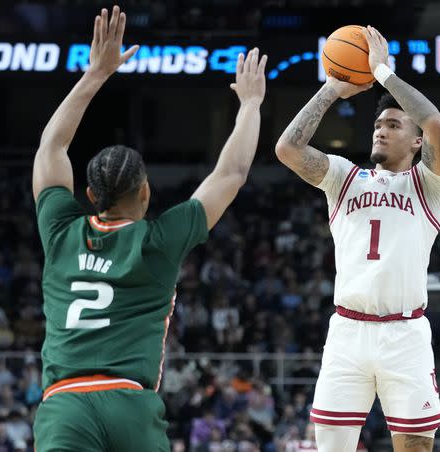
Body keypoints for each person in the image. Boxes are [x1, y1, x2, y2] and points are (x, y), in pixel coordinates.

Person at [30, 6, 267, 451]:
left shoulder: (59, 230)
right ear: (146, 193)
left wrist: (95, 74)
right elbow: (231, 173)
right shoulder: (159, 241)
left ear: (88, 192)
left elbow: (52, 146)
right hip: (130, 404)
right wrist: (250, 106)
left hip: (65, 406)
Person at [275, 26, 440, 452]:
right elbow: (288, 149)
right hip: (348, 333)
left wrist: (384, 73)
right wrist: (332, 89)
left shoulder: (429, 184)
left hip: (405, 332)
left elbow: (436, 125)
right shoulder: (343, 178)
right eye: (377, 123)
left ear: (415, 142)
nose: (380, 130)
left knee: (415, 446)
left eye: (393, 124)